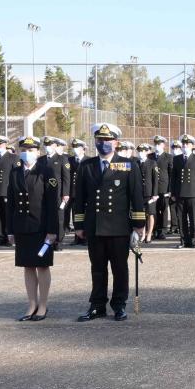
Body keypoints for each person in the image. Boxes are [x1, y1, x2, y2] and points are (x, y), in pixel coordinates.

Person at [73, 123, 146, 321]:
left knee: (119, 268)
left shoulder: (128, 164)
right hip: (95, 227)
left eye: (107, 140)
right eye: (100, 140)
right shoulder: (86, 165)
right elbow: (79, 197)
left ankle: (119, 305)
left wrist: (139, 225)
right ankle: (97, 306)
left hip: (119, 227)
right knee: (97, 269)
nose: (103, 143)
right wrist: (79, 225)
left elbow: (136, 196)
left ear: (116, 142)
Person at [7, 136, 60, 321]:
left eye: (31, 150)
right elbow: (11, 204)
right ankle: (31, 304)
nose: (27, 153)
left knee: (42, 266)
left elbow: (52, 204)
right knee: (27, 266)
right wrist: (10, 230)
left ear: (38, 152)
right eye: (24, 149)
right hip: (22, 226)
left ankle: (43, 305)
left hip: (41, 227)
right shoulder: (15, 172)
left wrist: (53, 231)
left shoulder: (46, 171)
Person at [171, 134, 195, 249]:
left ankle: (192, 240)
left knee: (193, 217)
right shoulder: (176, 159)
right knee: (181, 218)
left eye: (187, 144)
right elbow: (174, 177)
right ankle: (183, 240)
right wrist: (173, 193)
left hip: (193, 193)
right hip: (180, 193)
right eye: (183, 144)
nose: (185, 146)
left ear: (192, 145)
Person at [136, 143, 159, 242]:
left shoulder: (152, 163)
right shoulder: (136, 163)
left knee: (150, 214)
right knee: (141, 214)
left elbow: (155, 180)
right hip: (139, 192)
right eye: (139, 151)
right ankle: (143, 234)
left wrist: (155, 194)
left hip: (149, 193)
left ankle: (149, 233)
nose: (141, 153)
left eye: (143, 151)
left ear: (147, 152)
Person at [152, 135, 172, 240]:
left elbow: (171, 174)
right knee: (153, 210)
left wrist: (170, 190)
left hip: (164, 188)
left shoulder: (168, 157)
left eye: (159, 144)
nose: (157, 146)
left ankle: (162, 230)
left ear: (163, 145)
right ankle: (154, 229)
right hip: (153, 189)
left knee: (164, 209)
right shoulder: (150, 157)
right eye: (155, 144)